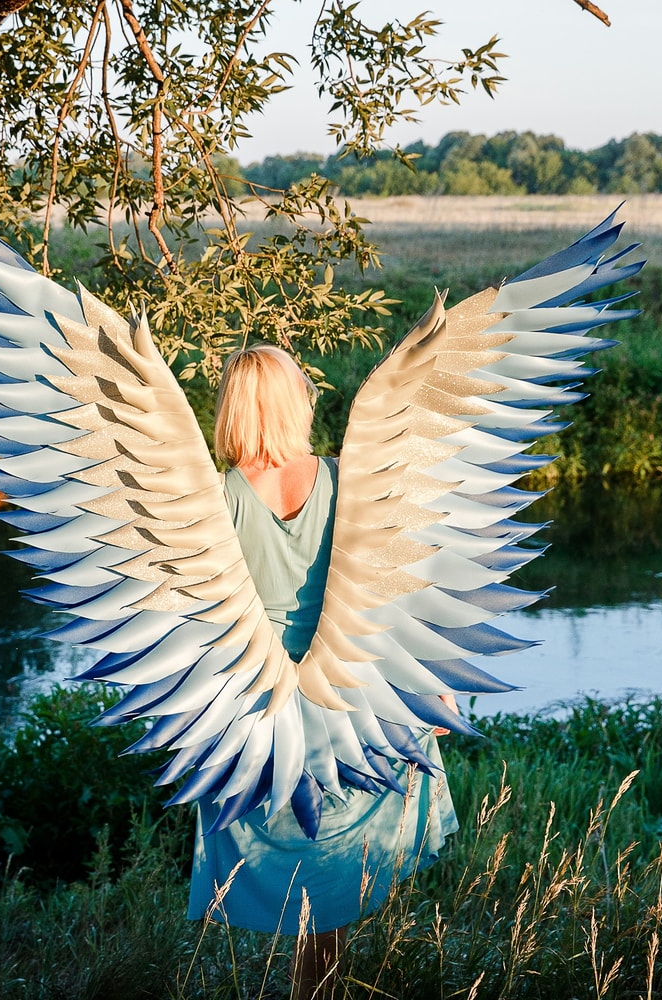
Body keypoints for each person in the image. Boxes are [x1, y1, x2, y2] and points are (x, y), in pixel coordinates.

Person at [186, 344, 460, 997]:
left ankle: (312, 987)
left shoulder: (216, 499)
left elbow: (199, 619)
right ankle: (319, 986)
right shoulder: (345, 481)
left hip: (258, 700)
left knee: (290, 854)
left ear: (233, 407)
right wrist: (430, 685)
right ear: (294, 403)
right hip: (348, 689)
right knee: (337, 858)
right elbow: (393, 590)